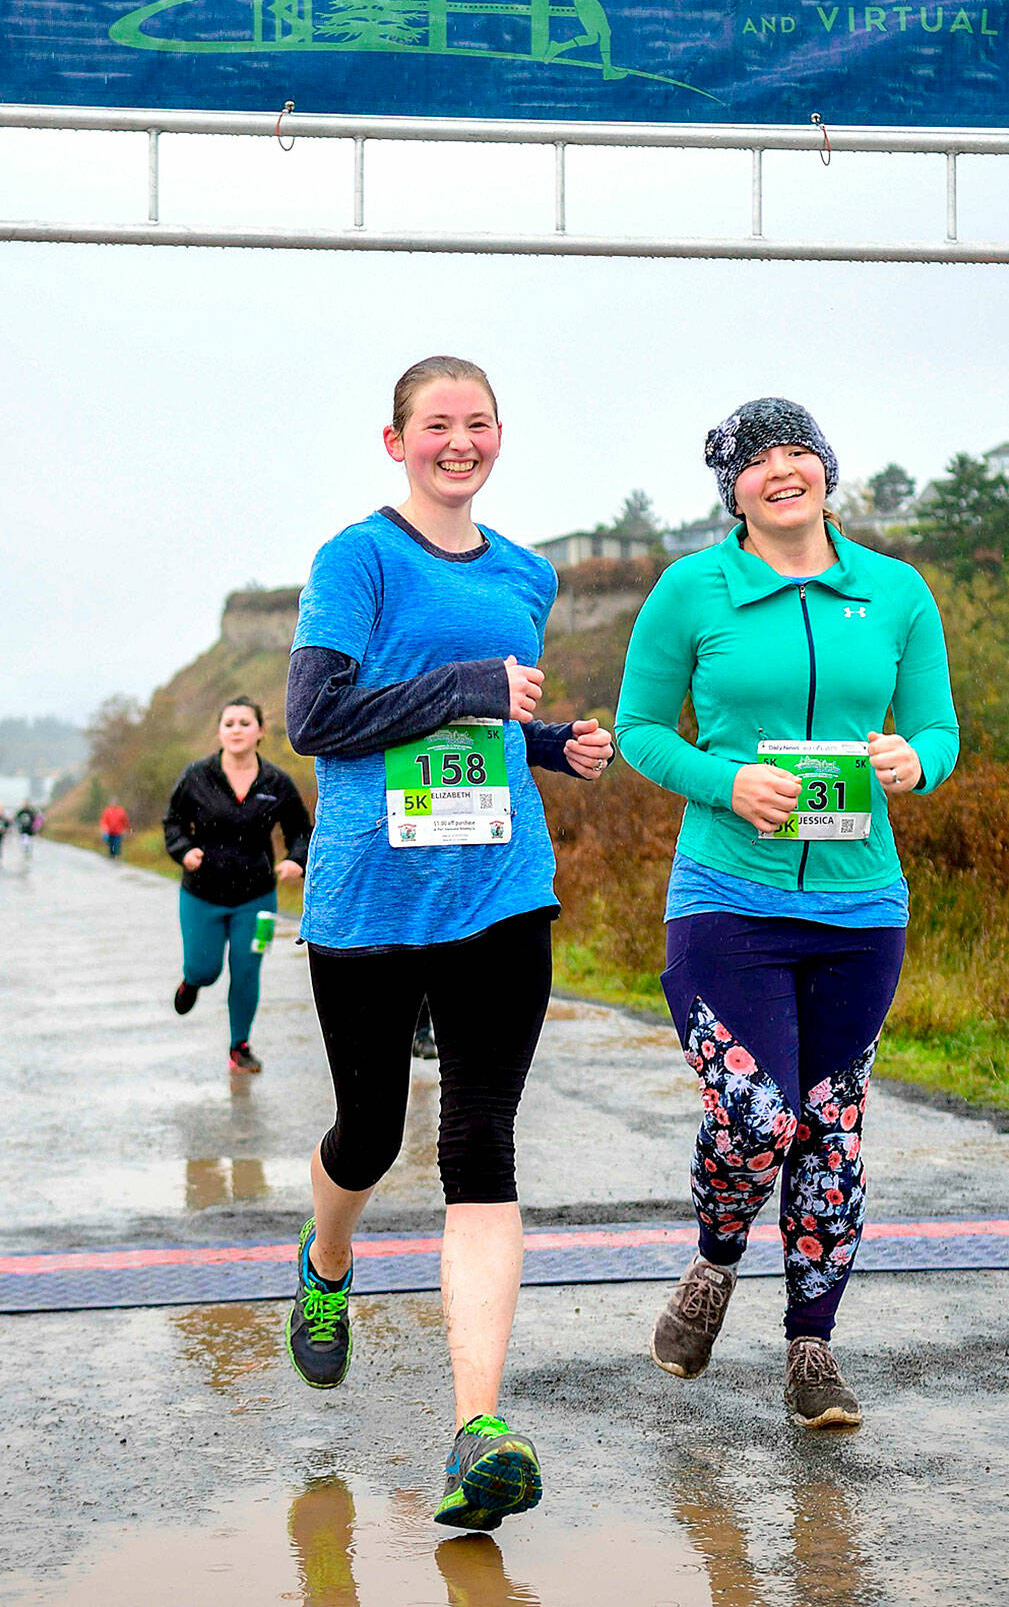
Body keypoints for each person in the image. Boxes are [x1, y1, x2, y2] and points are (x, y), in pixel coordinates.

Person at [283, 354, 614, 1533]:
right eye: (436, 425)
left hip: (499, 891)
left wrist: (550, 740)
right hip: (371, 898)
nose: (457, 442)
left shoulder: (527, 573)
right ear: (396, 442)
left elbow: (480, 728)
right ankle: (326, 1266)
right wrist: (471, 683)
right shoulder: (354, 559)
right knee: (369, 1136)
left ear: (498, 435)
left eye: (477, 424)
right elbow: (318, 720)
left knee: (481, 1143)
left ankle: (479, 1428)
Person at [615, 398, 958, 1428]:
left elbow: (935, 727)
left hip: (859, 904)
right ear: (731, 488)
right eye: (754, 459)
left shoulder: (894, 593)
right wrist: (726, 782)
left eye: (795, 450)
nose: (780, 469)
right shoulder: (691, 590)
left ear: (824, 470)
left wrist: (915, 762)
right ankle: (713, 1266)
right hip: (726, 895)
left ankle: (812, 1351)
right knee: (758, 1117)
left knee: (832, 1131)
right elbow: (638, 729)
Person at [163, 697, 311, 1074]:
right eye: (229, 723)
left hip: (258, 897)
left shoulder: (276, 782)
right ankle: (192, 981)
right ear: (219, 731)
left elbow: (300, 830)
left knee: (246, 970)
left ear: (260, 731)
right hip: (202, 894)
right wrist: (184, 851)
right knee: (205, 968)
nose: (237, 730)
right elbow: (173, 823)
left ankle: (239, 1045)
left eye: (245, 723)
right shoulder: (197, 776)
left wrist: (296, 859)